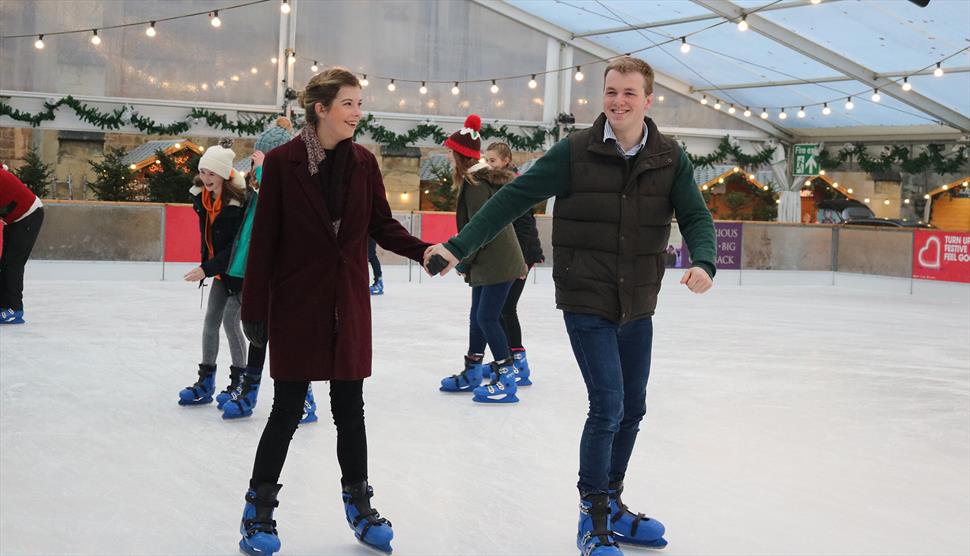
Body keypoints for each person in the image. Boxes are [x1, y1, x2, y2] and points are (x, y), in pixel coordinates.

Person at [424, 56, 716, 555]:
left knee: (633, 408)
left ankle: (614, 505)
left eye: (628, 93)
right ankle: (593, 516)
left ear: (648, 100)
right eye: (610, 92)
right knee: (608, 406)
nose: (618, 101)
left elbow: (694, 214)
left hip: (639, 299)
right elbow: (510, 200)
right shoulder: (576, 152)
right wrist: (457, 247)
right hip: (586, 296)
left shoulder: (670, 156)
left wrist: (705, 261)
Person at [236, 67, 432, 556]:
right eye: (348, 104)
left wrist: (425, 251)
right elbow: (264, 242)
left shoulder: (364, 163)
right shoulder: (282, 163)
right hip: (297, 303)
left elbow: (383, 226)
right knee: (285, 409)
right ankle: (258, 510)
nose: (357, 113)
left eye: (359, 104)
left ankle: (359, 504)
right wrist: (254, 308)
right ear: (320, 109)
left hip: (348, 303)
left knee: (351, 409)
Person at [220, 118, 319, 421]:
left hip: (287, 277)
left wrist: (264, 171)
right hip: (259, 272)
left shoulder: (292, 183)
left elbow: (286, 206)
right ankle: (250, 389)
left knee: (285, 339)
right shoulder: (256, 189)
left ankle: (304, 398)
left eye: (264, 157)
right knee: (259, 335)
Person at [437, 116, 527, 404]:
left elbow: (478, 230)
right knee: (478, 317)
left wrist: (460, 260)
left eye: (450, 151)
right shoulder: (475, 180)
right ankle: (473, 371)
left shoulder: (475, 185)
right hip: (488, 260)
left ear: (460, 155)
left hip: (498, 261)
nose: (447, 156)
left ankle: (506, 378)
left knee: (487, 318)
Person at [176, 148, 249, 409]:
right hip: (220, 271)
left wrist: (206, 268)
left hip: (242, 272)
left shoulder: (239, 203)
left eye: (212, 173)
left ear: (224, 175)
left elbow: (236, 247)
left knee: (231, 321)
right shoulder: (204, 199)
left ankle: (240, 381)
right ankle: (206, 382)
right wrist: (209, 266)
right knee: (211, 322)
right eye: (202, 171)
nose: (206, 178)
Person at [484, 141, 544, 385]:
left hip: (522, 256)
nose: (488, 165)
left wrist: (521, 263)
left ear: (505, 162)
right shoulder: (495, 185)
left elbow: (525, 226)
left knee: (505, 309)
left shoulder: (514, 186)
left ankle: (518, 362)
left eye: (493, 161)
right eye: (486, 160)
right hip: (512, 257)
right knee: (499, 310)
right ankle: (509, 358)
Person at [0, 167, 44, 324]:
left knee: (13, 264)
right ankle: (3, 306)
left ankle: (14, 310)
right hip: (15, 218)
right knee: (4, 262)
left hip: (29, 214)